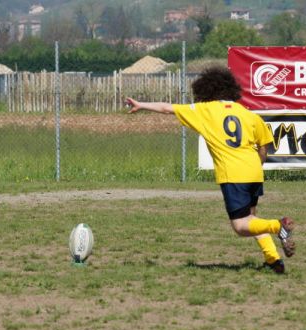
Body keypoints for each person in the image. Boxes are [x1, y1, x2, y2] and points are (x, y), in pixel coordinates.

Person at [125, 66, 295, 274]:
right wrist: (255, 168)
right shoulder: (248, 114)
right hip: (253, 171)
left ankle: (279, 226)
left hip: (233, 174)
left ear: (206, 90)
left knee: (241, 227)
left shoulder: (205, 111)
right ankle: (273, 259)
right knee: (252, 218)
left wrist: (140, 104)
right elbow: (263, 148)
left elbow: (167, 108)